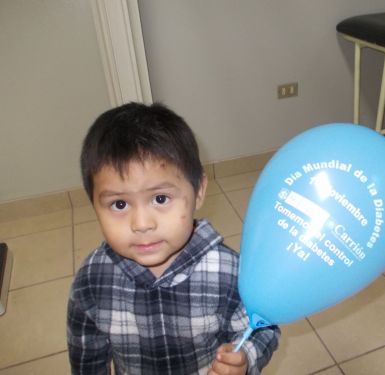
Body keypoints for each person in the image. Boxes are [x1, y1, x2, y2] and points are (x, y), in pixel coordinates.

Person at [67, 102, 280, 374]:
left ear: (199, 190)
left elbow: (263, 330)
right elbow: (86, 353)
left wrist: (245, 358)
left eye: (160, 198)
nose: (142, 224)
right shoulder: (91, 280)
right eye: (119, 204)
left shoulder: (228, 272)